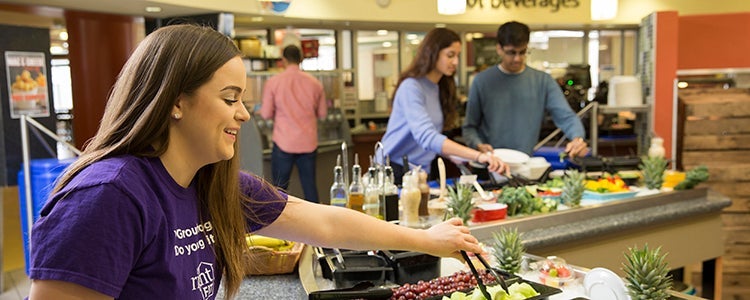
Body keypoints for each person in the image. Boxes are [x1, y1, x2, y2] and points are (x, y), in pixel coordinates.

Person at [27, 24, 484, 300]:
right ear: (176, 102)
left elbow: (320, 222)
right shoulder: (108, 197)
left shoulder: (212, 183)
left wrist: (427, 240)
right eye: (230, 99)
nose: (244, 114)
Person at [378, 27, 507, 183]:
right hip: (393, 170)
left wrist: (459, 155)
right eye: (450, 55)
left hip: (420, 170)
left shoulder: (438, 87)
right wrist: (478, 156)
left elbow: (432, 141)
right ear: (432, 53)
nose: (456, 62)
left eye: (457, 56)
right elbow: (427, 137)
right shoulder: (411, 87)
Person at [462, 21, 589, 159]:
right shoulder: (482, 81)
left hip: (525, 163)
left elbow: (566, 117)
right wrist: (478, 144)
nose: (517, 58)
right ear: (499, 49)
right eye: (511, 53)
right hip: (489, 163)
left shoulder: (543, 81)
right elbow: (469, 128)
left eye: (522, 52)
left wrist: (577, 138)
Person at [259, 45, 327, 203]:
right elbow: (323, 114)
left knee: (278, 190)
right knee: (310, 188)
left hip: (284, 142)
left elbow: (266, 114)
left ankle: (277, 226)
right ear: (301, 59)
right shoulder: (315, 83)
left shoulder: (274, 82)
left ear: (283, 60)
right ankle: (315, 225)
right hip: (308, 142)